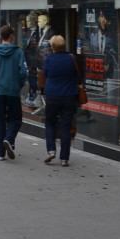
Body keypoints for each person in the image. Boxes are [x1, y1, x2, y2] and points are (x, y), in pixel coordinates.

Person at [0, 25, 28, 161]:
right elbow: (23, 72)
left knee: (0, 119)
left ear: (1, 36)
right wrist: (19, 84)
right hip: (13, 91)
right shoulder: (18, 52)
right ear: (11, 36)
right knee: (15, 119)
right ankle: (9, 138)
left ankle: (0, 151)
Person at [41, 35, 79, 167]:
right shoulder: (71, 58)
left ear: (52, 46)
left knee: (50, 123)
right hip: (69, 96)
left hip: (52, 95)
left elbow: (45, 74)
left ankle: (51, 150)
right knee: (65, 127)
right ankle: (64, 159)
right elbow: (76, 74)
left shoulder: (49, 59)